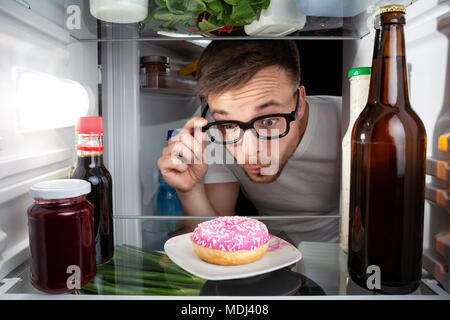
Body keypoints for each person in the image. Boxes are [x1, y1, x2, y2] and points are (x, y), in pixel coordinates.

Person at [157, 40, 342, 246]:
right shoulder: (210, 130)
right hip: (263, 255)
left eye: (269, 121)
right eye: (228, 125)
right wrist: (190, 191)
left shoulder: (347, 120)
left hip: (339, 254)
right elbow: (216, 239)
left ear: (299, 103)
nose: (251, 151)